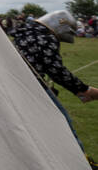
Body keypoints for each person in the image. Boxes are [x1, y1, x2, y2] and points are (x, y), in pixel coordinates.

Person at [6, 10, 98, 150]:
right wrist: (84, 90)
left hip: (13, 85)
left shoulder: (25, 32)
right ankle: (79, 161)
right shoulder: (45, 36)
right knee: (61, 124)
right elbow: (55, 69)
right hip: (32, 87)